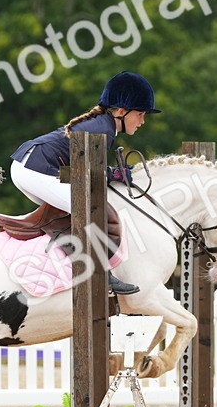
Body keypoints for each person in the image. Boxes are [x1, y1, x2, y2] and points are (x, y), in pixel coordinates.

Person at [9, 71, 160, 295]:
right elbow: (90, 174)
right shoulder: (103, 129)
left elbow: (85, 171)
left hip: (30, 166)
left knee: (74, 211)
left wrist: (113, 173)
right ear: (120, 111)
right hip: (34, 169)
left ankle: (62, 265)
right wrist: (115, 175)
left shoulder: (103, 126)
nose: (143, 121)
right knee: (90, 208)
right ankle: (101, 275)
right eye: (139, 114)